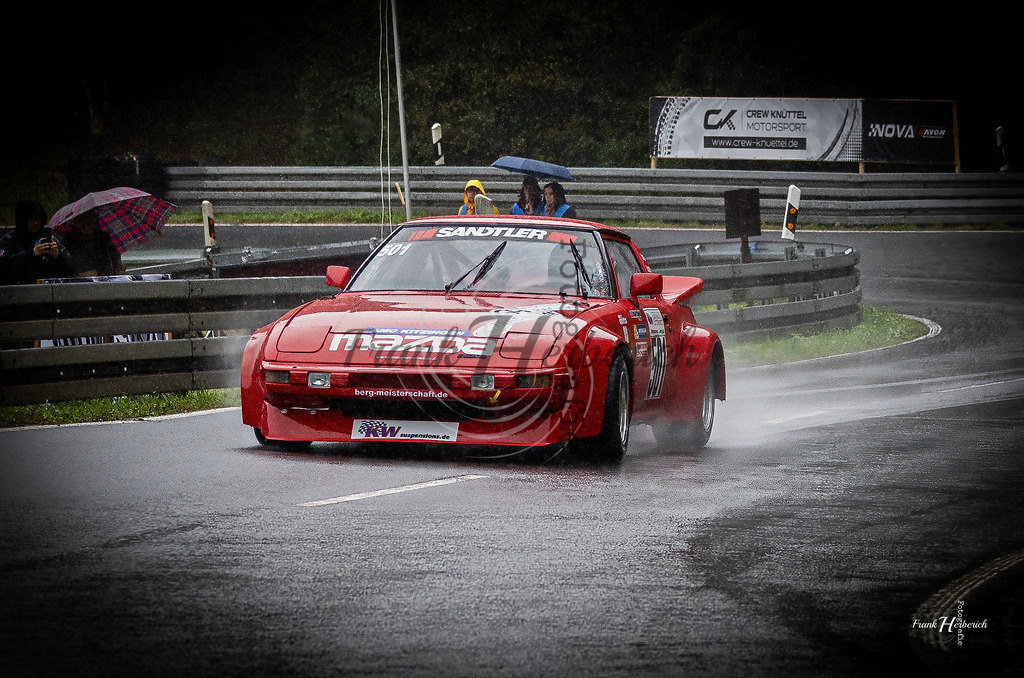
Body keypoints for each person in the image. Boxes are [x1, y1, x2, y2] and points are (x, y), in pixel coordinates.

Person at [0, 200, 74, 284]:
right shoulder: (9, 241)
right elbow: (4, 266)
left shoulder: (48, 239)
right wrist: (32, 254)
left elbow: (70, 267)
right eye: (31, 219)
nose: (35, 223)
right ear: (22, 219)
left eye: (38, 219)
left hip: (46, 289)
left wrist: (58, 256)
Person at [61, 209, 126, 277]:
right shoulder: (69, 240)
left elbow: (115, 259)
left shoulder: (105, 237)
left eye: (90, 219)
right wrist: (79, 274)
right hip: (82, 282)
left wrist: (119, 269)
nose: (86, 224)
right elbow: (67, 264)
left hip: (109, 279)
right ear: (75, 223)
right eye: (82, 220)